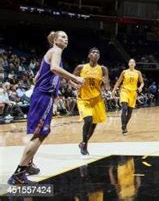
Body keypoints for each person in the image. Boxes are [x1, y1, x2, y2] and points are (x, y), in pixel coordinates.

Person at [8, 31, 84, 184]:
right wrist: (74, 77)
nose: (66, 39)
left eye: (67, 37)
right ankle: (19, 174)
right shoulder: (56, 51)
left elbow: (39, 77)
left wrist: (70, 82)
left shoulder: (52, 53)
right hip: (44, 96)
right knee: (39, 134)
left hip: (41, 96)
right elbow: (55, 69)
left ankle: (28, 164)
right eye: (62, 36)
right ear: (55, 40)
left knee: (40, 132)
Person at [74, 48, 110, 155]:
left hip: (97, 100)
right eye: (93, 52)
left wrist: (105, 83)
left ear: (99, 56)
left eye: (97, 52)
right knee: (88, 120)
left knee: (93, 124)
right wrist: (76, 85)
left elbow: (107, 86)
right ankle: (84, 145)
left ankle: (83, 143)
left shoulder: (103, 69)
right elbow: (70, 79)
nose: (95, 54)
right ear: (89, 55)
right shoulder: (81, 67)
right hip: (83, 99)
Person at [112, 59, 144, 134]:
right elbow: (118, 82)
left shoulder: (138, 72)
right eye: (130, 62)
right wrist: (113, 90)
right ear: (128, 64)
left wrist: (140, 87)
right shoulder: (124, 72)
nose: (132, 63)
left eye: (133, 62)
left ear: (135, 64)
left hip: (133, 93)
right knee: (124, 108)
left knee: (129, 113)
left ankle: (125, 125)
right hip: (124, 91)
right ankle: (123, 126)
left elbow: (142, 83)